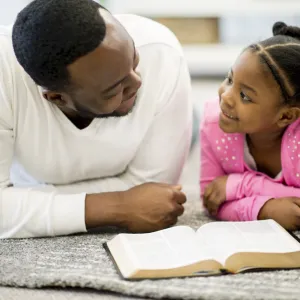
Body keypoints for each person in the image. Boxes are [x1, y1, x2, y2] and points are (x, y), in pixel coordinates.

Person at [0, 0, 192, 238]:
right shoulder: (4, 75)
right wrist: (119, 206)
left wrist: (26, 200)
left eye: (134, 60)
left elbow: (156, 194)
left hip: (172, 113)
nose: (137, 83)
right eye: (113, 90)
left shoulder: (160, 51)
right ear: (57, 98)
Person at [200, 21, 300, 231]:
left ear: (286, 116)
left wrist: (239, 185)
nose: (226, 97)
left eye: (244, 96)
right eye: (229, 79)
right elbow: (211, 200)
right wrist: (264, 210)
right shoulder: (213, 125)